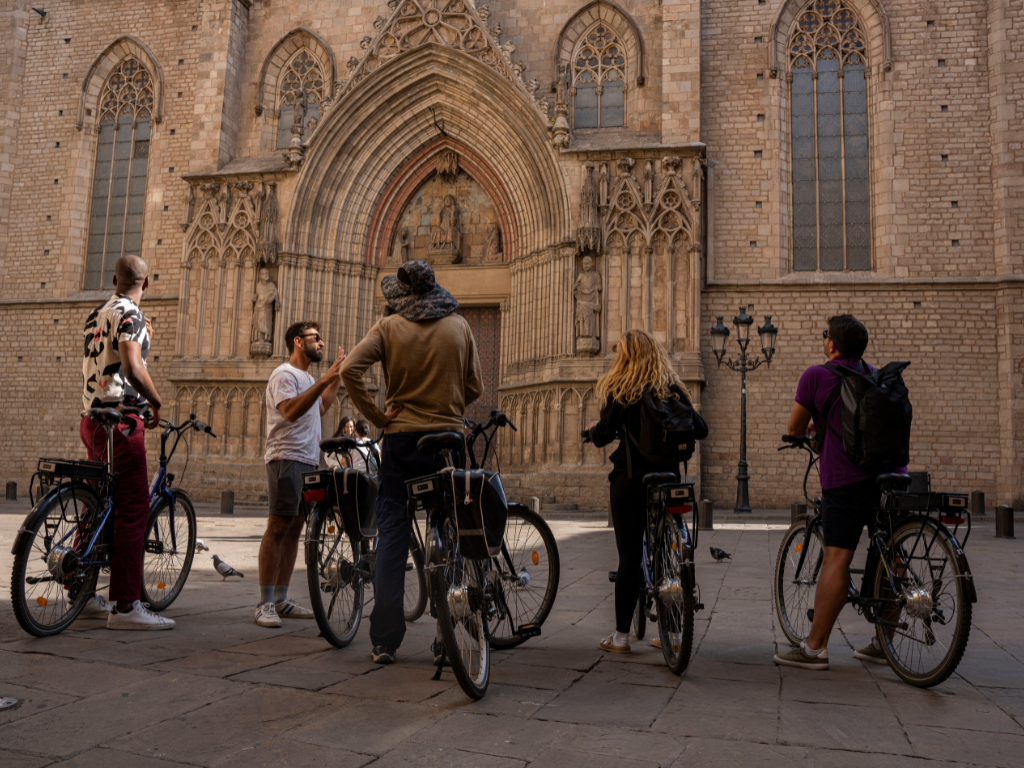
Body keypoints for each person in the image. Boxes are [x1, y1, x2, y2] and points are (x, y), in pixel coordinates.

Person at [341, 259, 482, 665]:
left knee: (392, 538)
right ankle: (446, 636)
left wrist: (379, 416)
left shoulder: (388, 327)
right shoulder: (460, 326)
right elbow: (475, 385)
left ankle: (385, 640)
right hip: (448, 443)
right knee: (452, 531)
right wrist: (451, 409)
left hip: (401, 441)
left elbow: (351, 369)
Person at [773, 314, 904, 670]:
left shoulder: (817, 375)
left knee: (837, 558)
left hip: (847, 480)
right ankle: (884, 641)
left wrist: (808, 435)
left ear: (831, 343)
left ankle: (814, 647)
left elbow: (795, 427)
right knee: (892, 552)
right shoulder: (875, 375)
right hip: (892, 476)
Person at [585, 329, 707, 653]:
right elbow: (702, 429)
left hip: (631, 482)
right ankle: (676, 636)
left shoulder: (622, 390)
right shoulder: (673, 390)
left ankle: (621, 638)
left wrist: (591, 432)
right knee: (669, 551)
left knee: (629, 558)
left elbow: (603, 434)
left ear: (625, 357)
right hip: (670, 480)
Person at [79, 254, 174, 630]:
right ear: (146, 284)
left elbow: (110, 359)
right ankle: (125, 606)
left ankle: (82, 591)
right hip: (122, 423)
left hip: (92, 419)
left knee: (97, 505)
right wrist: (155, 400)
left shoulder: (97, 313)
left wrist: (142, 337)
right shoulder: (132, 315)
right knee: (133, 510)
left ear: (113, 278)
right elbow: (132, 368)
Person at [255, 321, 345, 628]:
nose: (320, 343)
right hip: (286, 457)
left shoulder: (307, 377)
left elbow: (319, 408)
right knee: (278, 526)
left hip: (308, 459)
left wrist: (337, 374)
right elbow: (291, 411)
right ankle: (265, 603)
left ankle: (280, 599)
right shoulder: (285, 374)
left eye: (321, 339)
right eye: (315, 338)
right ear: (298, 341)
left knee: (295, 529)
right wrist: (324, 381)